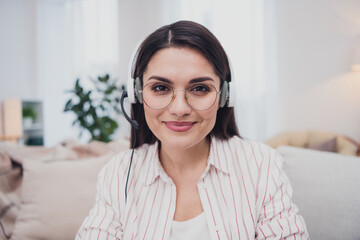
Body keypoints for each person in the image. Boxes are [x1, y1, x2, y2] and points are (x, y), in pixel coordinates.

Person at [76, 20, 309, 240]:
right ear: (137, 94)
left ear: (225, 96)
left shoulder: (260, 165)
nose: (179, 109)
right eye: (160, 87)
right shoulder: (118, 173)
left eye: (199, 88)